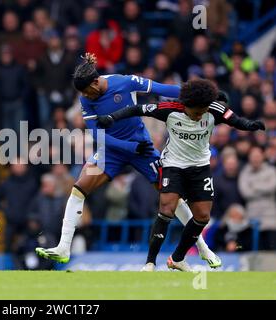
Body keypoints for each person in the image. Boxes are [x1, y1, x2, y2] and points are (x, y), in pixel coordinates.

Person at [35, 53, 221, 269]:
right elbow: (97, 135)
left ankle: (202, 247)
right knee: (79, 188)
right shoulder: (86, 99)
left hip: (142, 148)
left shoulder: (125, 82)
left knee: (172, 196)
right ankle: (63, 247)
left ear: (96, 81)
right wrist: (128, 147)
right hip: (112, 150)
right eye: (82, 93)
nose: (86, 96)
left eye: (87, 90)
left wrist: (203, 97)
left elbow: (163, 89)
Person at [95, 78, 265, 271]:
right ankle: (150, 262)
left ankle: (177, 258)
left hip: (200, 167)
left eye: (202, 111)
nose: (198, 115)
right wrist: (111, 118)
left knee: (202, 217)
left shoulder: (213, 109)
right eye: (195, 112)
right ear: (185, 105)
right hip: (173, 165)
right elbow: (137, 109)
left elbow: (236, 121)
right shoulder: (169, 108)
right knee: (166, 209)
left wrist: (251, 125)